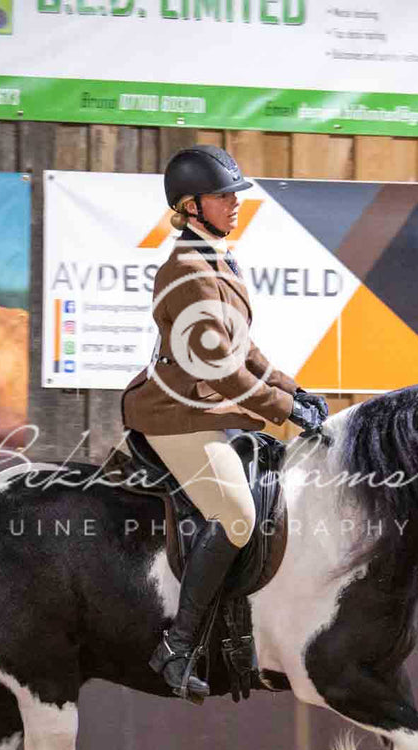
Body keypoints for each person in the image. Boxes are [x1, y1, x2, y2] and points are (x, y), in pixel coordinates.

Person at [121, 145, 329, 701]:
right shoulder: (187, 272)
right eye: (222, 196)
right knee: (236, 515)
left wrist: (294, 389)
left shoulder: (216, 257)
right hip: (177, 415)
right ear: (190, 205)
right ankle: (178, 646)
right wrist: (285, 413)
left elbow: (244, 349)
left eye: (234, 195)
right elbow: (223, 369)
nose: (235, 205)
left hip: (204, 406)